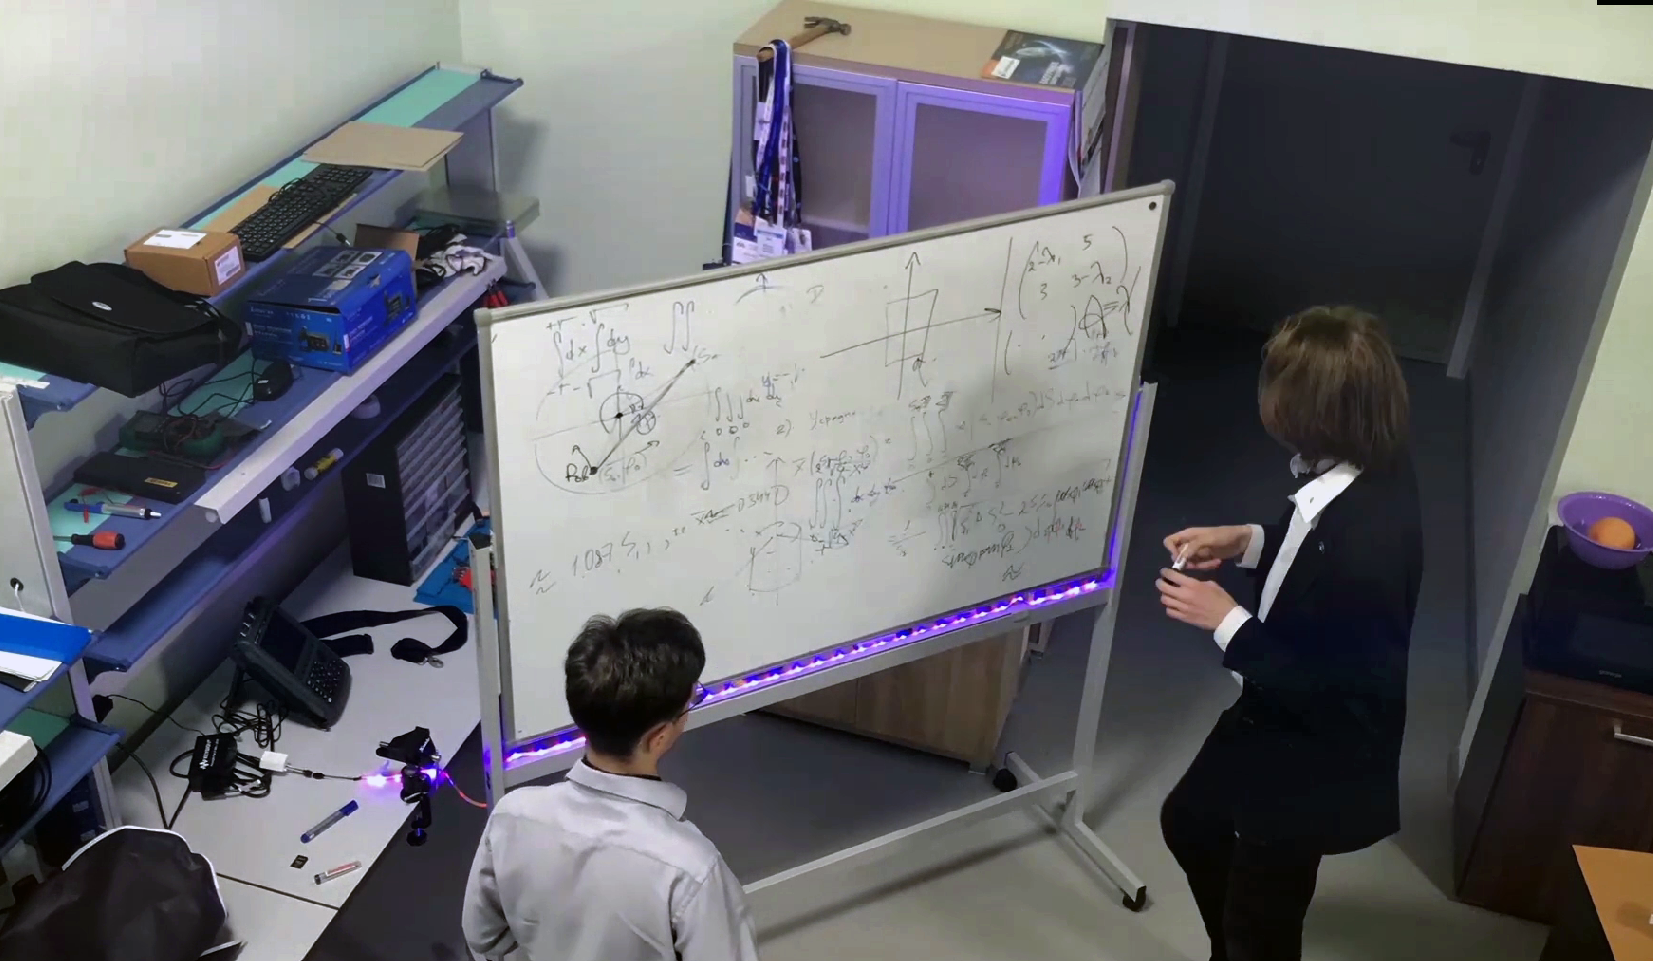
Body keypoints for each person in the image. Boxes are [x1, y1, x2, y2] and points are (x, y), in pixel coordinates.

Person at [1153, 305, 1422, 961]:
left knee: (1262, 921)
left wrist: (1226, 620)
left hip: (1313, 755)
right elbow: (1313, 554)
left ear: (1307, 412)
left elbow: (1333, 685)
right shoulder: (1357, 472)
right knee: (1190, 822)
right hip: (1270, 716)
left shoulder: (1373, 544)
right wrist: (1246, 540)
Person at [462, 608, 760, 961]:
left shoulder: (512, 815)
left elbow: (484, 937)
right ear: (659, 736)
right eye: (690, 701)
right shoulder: (691, 869)